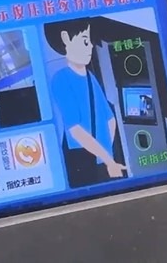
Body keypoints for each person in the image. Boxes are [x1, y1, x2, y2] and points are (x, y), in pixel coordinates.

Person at [44, 18, 126, 188]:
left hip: (103, 160)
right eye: (85, 41)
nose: (90, 47)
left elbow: (110, 119)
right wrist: (107, 158)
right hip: (84, 162)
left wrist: (105, 157)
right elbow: (75, 130)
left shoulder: (90, 77)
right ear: (66, 38)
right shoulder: (61, 79)